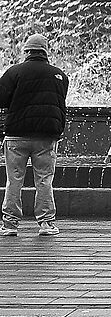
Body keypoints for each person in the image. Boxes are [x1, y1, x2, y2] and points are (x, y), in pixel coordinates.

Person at [0, 31, 69, 238]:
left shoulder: (14, 72)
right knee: (44, 180)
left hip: (16, 136)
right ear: (45, 52)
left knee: (14, 180)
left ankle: (9, 225)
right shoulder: (59, 75)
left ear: (26, 51)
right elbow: (59, 103)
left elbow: (1, 100)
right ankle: (46, 224)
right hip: (46, 138)